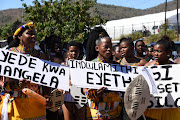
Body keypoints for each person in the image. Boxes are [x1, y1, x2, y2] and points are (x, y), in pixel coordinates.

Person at [0, 22, 52, 120]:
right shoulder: (10, 54)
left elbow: (47, 81)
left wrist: (47, 96)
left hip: (37, 105)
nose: (33, 36)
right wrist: (17, 85)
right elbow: (6, 85)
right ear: (19, 36)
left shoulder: (41, 56)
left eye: (34, 34)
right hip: (18, 105)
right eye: (29, 33)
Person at [84, 27, 122, 120]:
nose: (109, 50)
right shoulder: (90, 65)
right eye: (106, 47)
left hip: (115, 109)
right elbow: (84, 88)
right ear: (97, 48)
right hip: (97, 110)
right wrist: (94, 93)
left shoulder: (117, 66)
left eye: (110, 47)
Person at [144, 36, 180, 120]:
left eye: (159, 51)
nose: (155, 54)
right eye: (154, 51)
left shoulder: (176, 68)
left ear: (168, 53)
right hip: (153, 108)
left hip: (172, 108)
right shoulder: (148, 67)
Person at [62, 41, 85, 120]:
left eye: (76, 51)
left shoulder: (83, 65)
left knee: (80, 117)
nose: (74, 53)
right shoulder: (63, 65)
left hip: (79, 95)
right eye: (72, 51)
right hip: (67, 95)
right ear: (68, 52)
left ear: (79, 52)